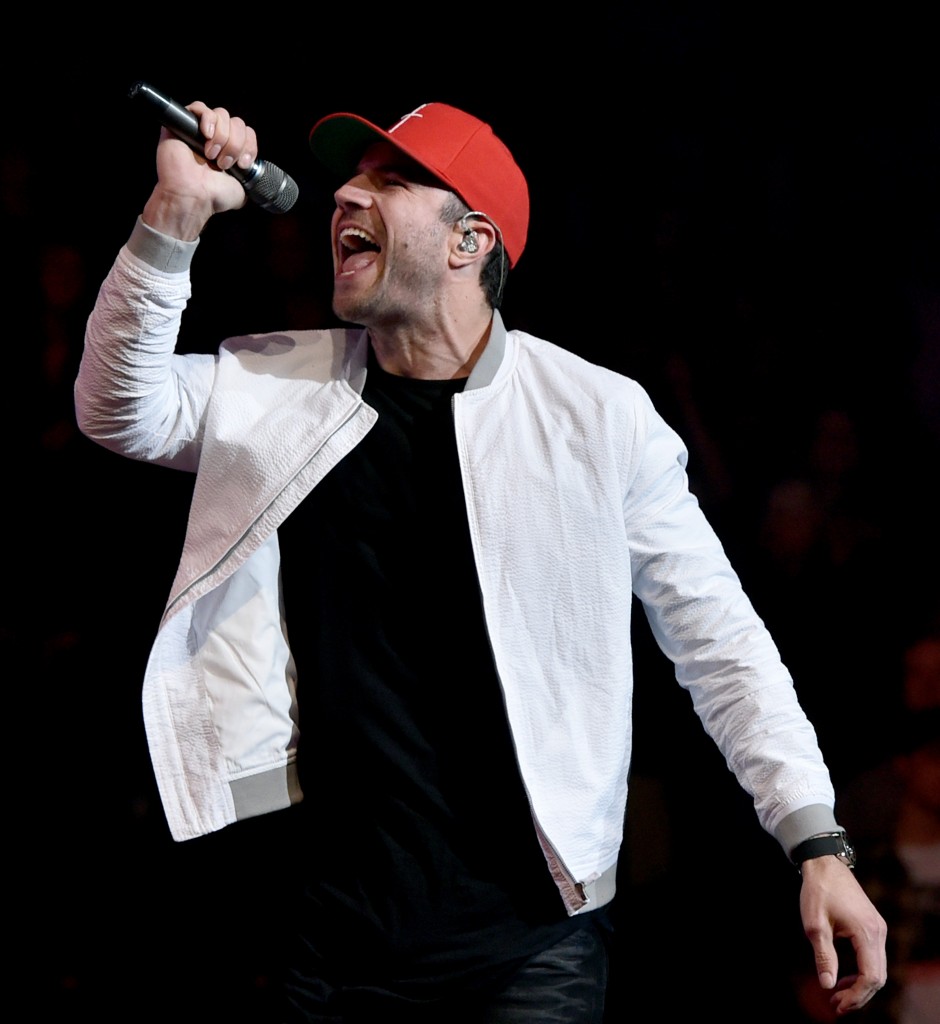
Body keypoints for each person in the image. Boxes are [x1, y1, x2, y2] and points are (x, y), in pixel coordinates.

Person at [74, 97, 887, 1022]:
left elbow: (720, 643)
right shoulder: (278, 390)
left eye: (390, 181)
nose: (344, 194)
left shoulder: (595, 417)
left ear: (470, 243)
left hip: (531, 947)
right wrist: (174, 214)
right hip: (331, 938)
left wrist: (818, 844)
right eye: (350, 177)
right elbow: (117, 409)